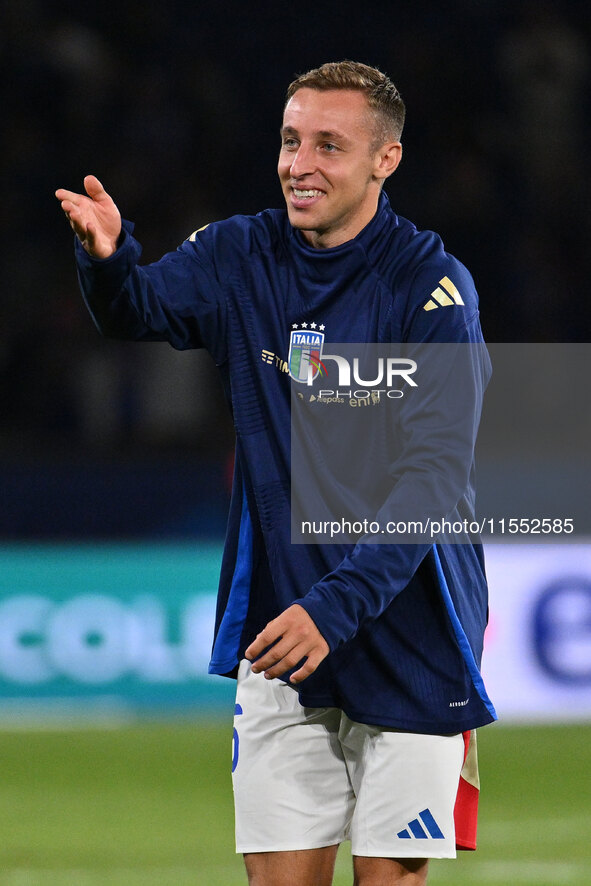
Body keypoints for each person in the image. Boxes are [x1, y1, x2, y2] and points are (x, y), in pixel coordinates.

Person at [56, 61, 496, 886]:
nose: (300, 164)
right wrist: (109, 262)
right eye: (291, 141)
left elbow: (432, 481)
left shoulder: (430, 290)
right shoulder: (239, 255)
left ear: (383, 161)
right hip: (282, 636)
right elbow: (138, 311)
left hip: (410, 635)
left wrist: (332, 608)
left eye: (329, 145)